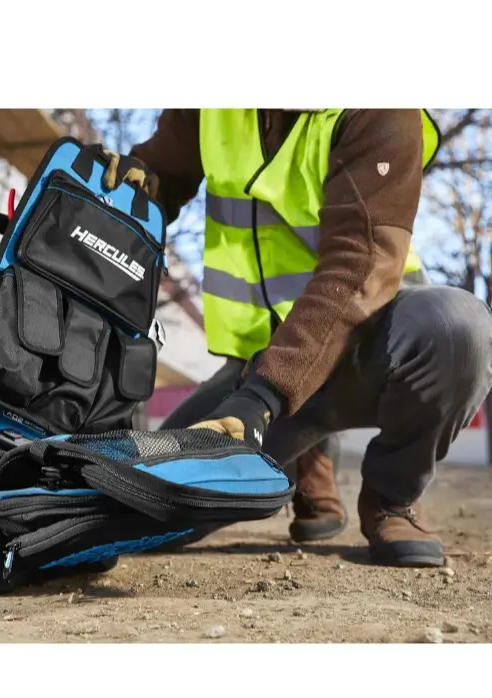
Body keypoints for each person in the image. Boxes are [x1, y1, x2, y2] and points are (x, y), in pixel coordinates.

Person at [94, 109, 492, 567]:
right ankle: (308, 452)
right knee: (148, 510)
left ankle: (392, 498)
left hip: (369, 345)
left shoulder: (380, 109)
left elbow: (358, 267)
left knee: (459, 330)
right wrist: (115, 193)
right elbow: (161, 174)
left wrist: (262, 398)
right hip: (260, 364)